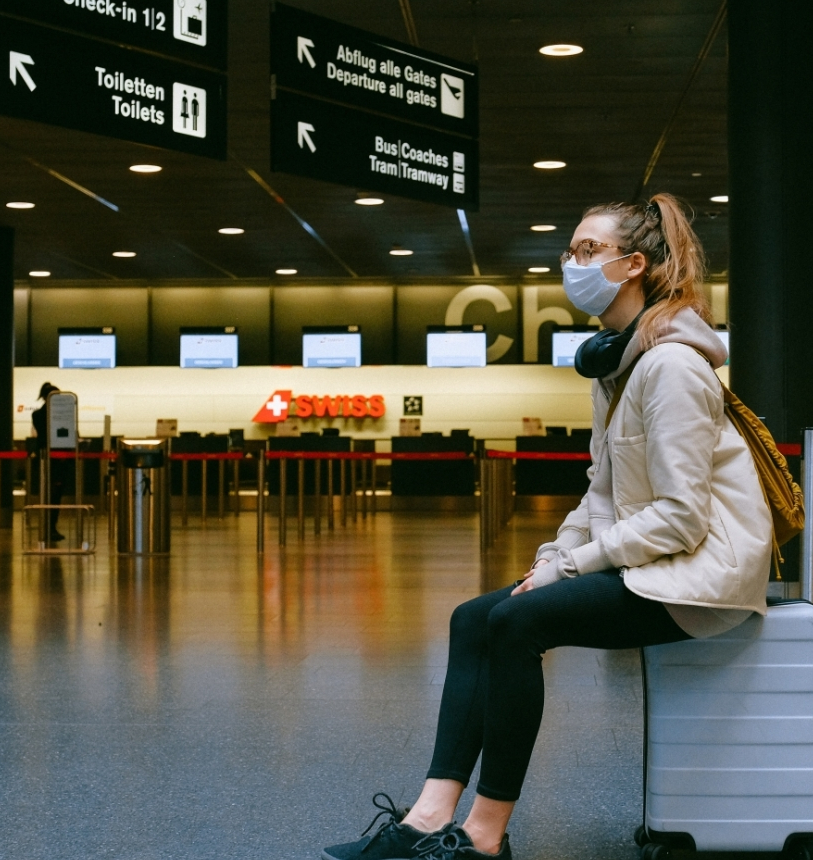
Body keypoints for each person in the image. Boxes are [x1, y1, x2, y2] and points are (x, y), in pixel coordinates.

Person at [320, 194, 774, 860]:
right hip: (653, 564)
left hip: (699, 578)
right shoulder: (619, 369)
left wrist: (574, 568)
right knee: (474, 617)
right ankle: (426, 815)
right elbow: (601, 493)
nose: (572, 263)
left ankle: (483, 836)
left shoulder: (672, 368)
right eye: (570, 251)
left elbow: (682, 517)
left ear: (634, 265)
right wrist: (552, 557)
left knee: (516, 624)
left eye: (588, 251)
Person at [31, 382, 69, 542]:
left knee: (53, 494)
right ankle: (49, 527)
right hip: (52, 459)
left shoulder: (40, 414)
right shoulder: (44, 415)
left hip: (52, 458)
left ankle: (50, 526)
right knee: (52, 494)